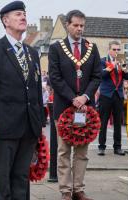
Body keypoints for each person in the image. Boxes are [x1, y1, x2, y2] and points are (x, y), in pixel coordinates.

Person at [0, 1, 46, 199]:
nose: (23, 17)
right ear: (5, 20)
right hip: (5, 126)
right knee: (2, 177)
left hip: (29, 126)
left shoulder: (32, 53)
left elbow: (35, 90)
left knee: (21, 177)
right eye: (18, 14)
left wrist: (40, 122)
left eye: (24, 14)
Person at [48, 10, 101, 200]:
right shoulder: (56, 48)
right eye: (76, 25)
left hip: (86, 109)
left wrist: (85, 97)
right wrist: (73, 98)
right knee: (63, 151)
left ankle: (78, 189)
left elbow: (97, 76)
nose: (79, 29)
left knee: (82, 152)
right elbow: (55, 77)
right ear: (67, 25)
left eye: (82, 26)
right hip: (64, 107)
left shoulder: (91, 48)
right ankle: (65, 191)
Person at [97, 41, 128, 156]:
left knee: (117, 122)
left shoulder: (121, 62)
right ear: (109, 49)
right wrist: (112, 66)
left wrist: (125, 69)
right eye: (114, 49)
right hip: (106, 95)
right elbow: (102, 75)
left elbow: (127, 77)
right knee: (103, 122)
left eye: (118, 50)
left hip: (118, 95)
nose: (116, 52)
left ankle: (118, 147)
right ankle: (101, 147)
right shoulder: (102, 61)